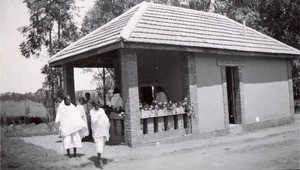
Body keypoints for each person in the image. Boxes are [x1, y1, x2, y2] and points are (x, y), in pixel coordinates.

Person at [90, 101, 110, 169]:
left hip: (103, 130)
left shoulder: (101, 110)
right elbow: (93, 120)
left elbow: (106, 118)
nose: (97, 106)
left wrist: (106, 124)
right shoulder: (92, 111)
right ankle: (100, 160)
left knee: (102, 144)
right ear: (93, 105)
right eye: (95, 105)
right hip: (96, 131)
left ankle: (99, 158)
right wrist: (98, 116)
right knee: (98, 145)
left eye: (98, 105)